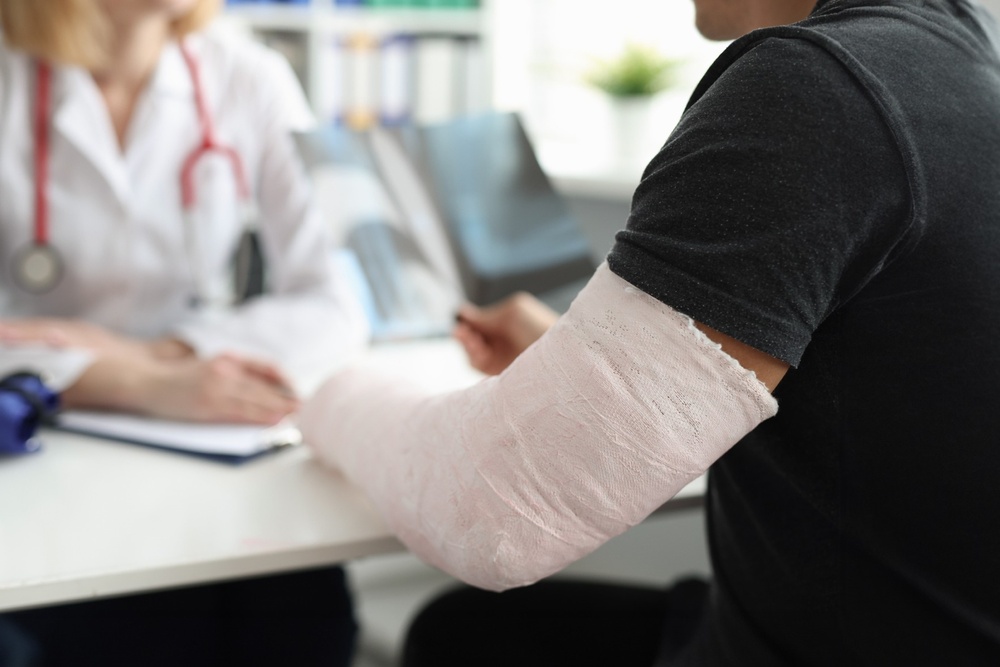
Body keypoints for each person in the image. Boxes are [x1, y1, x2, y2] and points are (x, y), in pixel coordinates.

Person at [298, 0, 1000, 664]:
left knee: (460, 634)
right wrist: (570, 359)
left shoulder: (816, 88)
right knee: (464, 634)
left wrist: (322, 392)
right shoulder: (961, 61)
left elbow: (492, 514)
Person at [0, 0, 369, 665]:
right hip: (34, 454)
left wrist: (161, 356)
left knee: (303, 617)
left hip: (193, 437)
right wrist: (134, 382)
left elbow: (342, 299)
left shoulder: (250, 75)